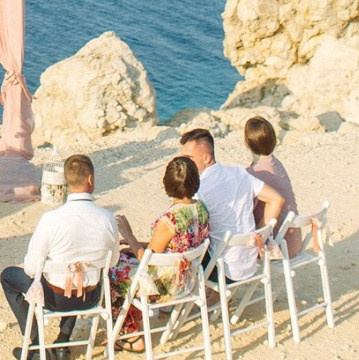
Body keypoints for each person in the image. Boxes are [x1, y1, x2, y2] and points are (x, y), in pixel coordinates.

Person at [0, 153, 120, 360]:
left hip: (54, 299)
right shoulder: (107, 218)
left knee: (9, 276)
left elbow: (31, 267)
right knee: (75, 273)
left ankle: (36, 344)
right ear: (90, 179)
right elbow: (113, 262)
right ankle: (62, 343)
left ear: (65, 182)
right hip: (90, 297)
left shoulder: (51, 220)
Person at [110, 155, 211, 343]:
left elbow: (146, 259)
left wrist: (129, 235)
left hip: (165, 287)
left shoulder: (170, 219)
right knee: (126, 256)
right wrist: (136, 245)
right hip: (189, 281)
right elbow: (175, 245)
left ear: (167, 185)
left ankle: (131, 333)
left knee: (111, 271)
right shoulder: (202, 209)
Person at [178, 128, 285, 282]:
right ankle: (218, 295)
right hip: (250, 261)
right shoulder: (239, 173)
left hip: (223, 269)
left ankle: (207, 295)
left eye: (188, 158)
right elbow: (277, 199)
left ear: (206, 158)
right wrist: (260, 233)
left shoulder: (198, 189)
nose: (183, 163)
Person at [244, 116, 302, 255]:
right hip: (294, 239)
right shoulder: (276, 163)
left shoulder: (253, 174)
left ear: (247, 142)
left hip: (279, 245)